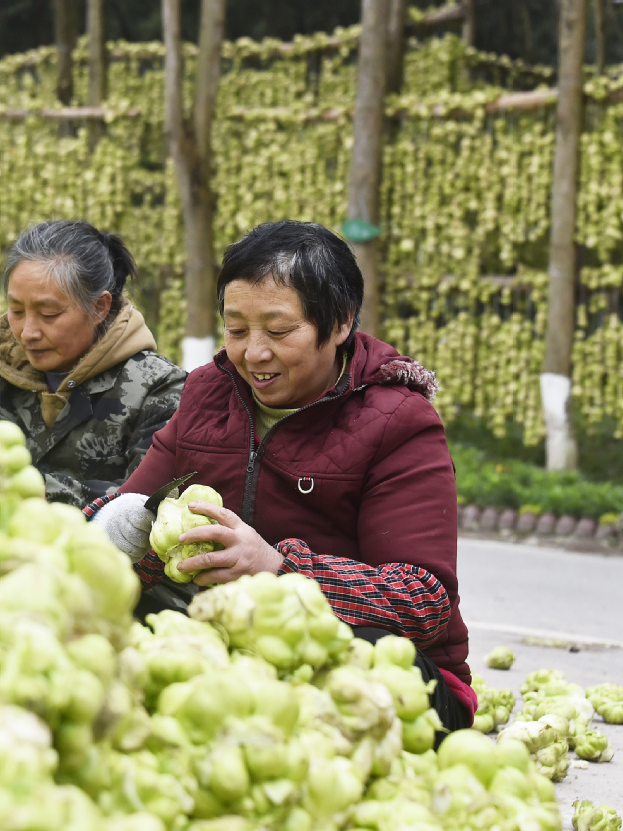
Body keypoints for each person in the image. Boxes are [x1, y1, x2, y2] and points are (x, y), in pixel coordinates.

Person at [87, 219, 474, 734]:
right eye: (236, 329)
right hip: (230, 651)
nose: (253, 353)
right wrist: (120, 529)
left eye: (278, 330)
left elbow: (422, 600)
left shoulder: (398, 421)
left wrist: (278, 568)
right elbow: (132, 506)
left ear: (339, 323)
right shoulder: (207, 394)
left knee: (371, 656)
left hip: (375, 672)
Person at [0, 219, 187, 508]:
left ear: (99, 308)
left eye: (49, 314)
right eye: (16, 310)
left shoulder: (159, 391)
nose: (28, 332)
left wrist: (34, 492)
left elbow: (150, 503)